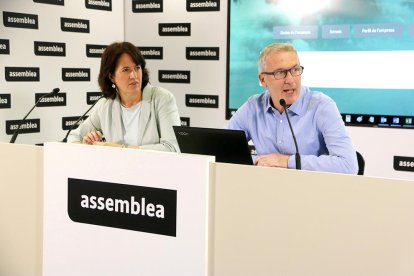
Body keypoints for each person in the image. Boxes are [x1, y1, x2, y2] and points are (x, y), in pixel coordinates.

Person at [226, 42, 358, 174]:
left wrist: (286, 161)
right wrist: (259, 160)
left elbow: (348, 166)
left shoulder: (322, 106)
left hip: (311, 190)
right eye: (280, 73)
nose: (290, 80)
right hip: (267, 189)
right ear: (263, 80)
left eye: (295, 70)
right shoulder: (253, 107)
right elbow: (221, 149)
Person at [67, 41, 181, 152]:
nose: (134, 75)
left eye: (137, 68)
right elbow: (73, 137)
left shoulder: (162, 99)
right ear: (111, 76)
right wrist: (88, 145)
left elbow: (172, 148)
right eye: (126, 70)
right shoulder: (105, 105)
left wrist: (120, 149)